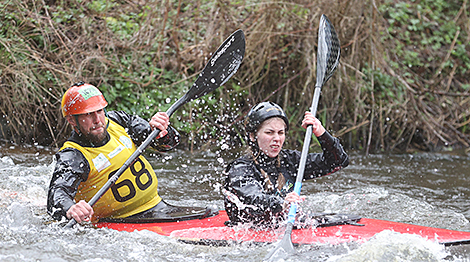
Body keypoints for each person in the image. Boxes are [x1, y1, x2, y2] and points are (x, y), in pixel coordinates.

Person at [47, 82, 210, 224]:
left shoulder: (119, 121)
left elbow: (168, 144)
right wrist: (71, 209)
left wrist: (162, 132)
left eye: (99, 111)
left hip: (158, 207)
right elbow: (57, 194)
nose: (97, 120)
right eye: (88, 115)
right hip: (118, 220)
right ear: (71, 120)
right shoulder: (74, 155)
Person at [222, 101, 349, 228]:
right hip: (248, 229)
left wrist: (321, 133)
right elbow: (253, 198)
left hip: (283, 225)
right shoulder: (240, 168)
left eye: (280, 133)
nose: (277, 138)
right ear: (253, 136)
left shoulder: (290, 161)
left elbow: (338, 162)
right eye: (269, 132)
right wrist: (281, 203)